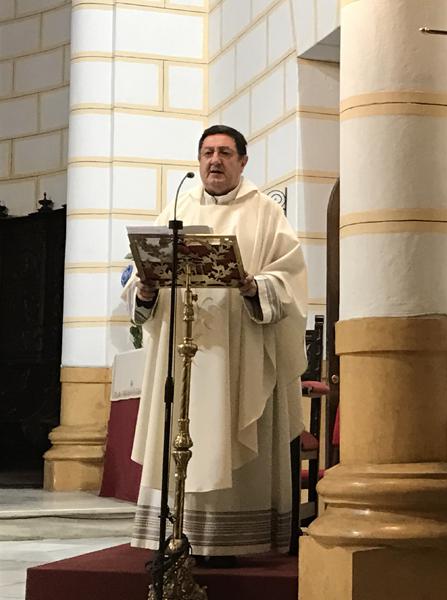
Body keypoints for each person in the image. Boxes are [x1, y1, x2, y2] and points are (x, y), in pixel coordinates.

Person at [124, 125, 308, 564]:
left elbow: (290, 280)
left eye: (225, 153)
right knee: (180, 434)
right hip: (180, 352)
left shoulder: (265, 213)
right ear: (198, 161)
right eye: (207, 153)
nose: (215, 161)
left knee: (227, 431)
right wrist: (144, 292)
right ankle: (176, 537)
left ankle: (231, 541)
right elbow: (137, 277)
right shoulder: (175, 209)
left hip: (236, 355)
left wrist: (253, 286)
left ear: (243, 161)